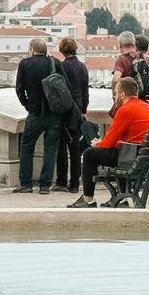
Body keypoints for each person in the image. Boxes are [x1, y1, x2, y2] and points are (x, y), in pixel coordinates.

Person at [69, 76, 149, 208]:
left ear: (123, 95)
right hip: (145, 158)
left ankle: (88, 199)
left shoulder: (125, 110)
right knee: (117, 153)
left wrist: (97, 144)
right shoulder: (148, 108)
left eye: (116, 92)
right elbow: (130, 139)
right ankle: (120, 198)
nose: (115, 95)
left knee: (90, 154)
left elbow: (108, 143)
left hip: (131, 158)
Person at [14, 38, 61, 194]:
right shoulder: (55, 63)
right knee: (51, 149)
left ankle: (26, 184)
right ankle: (45, 185)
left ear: (32, 49)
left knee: (27, 146)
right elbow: (64, 87)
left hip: (35, 112)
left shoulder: (25, 64)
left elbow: (19, 89)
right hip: (54, 113)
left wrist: (27, 105)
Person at [52, 37, 89, 194]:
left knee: (61, 146)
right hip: (77, 109)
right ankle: (74, 183)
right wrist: (84, 110)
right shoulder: (82, 67)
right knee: (75, 147)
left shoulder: (61, 66)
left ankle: (61, 181)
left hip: (63, 109)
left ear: (62, 50)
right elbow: (85, 91)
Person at [112, 31, 149, 114]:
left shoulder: (121, 59)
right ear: (134, 44)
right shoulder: (143, 59)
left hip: (129, 104)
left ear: (120, 45)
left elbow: (116, 79)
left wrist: (114, 97)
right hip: (145, 104)